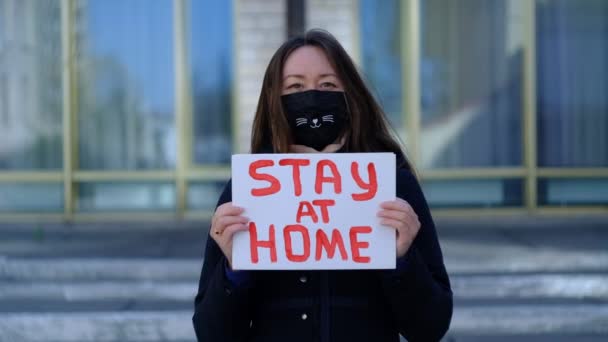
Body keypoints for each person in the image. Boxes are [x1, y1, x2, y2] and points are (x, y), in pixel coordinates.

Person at [193, 29, 452, 342]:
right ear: (274, 100)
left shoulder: (393, 185)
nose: (312, 97)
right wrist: (234, 269)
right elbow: (211, 334)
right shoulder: (245, 194)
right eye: (295, 86)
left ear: (351, 95)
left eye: (328, 84)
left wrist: (401, 260)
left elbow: (430, 328)